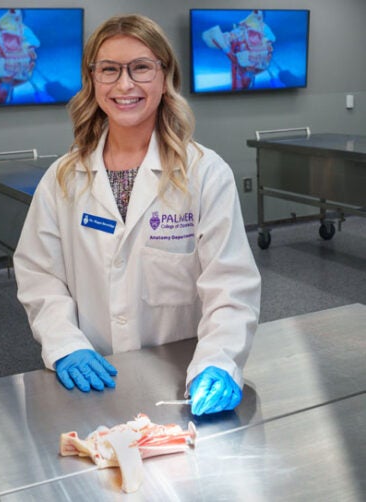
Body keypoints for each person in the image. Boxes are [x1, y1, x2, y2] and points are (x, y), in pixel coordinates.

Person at [13, 14, 261, 416]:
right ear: (92, 81)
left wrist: (219, 360)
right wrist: (65, 345)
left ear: (165, 78)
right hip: (94, 382)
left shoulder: (204, 173)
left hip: (178, 382)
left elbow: (230, 285)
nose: (124, 85)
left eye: (141, 68)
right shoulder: (64, 177)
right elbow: (39, 274)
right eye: (109, 69)